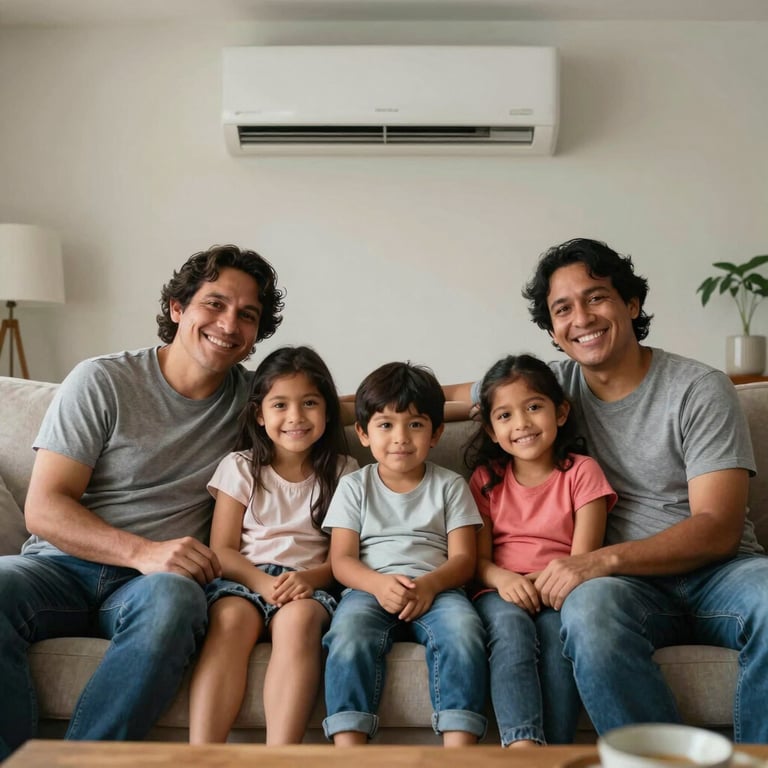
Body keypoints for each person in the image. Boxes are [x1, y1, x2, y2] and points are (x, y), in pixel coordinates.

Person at [448, 237, 768, 743]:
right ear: (553, 330)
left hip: (721, 574)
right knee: (589, 611)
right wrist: (332, 411)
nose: (582, 318)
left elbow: (718, 528)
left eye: (596, 297)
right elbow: (453, 395)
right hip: (626, 591)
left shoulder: (698, 387)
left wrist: (599, 561)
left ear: (631, 304)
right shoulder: (548, 391)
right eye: (563, 309)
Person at [0, 244, 285, 759]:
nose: (229, 323)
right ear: (178, 308)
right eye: (214, 304)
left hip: (153, 588)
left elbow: (349, 404)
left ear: (254, 339)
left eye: (247, 315)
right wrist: (141, 551)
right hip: (58, 568)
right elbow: (43, 508)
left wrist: (477, 395)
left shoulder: (256, 404)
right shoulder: (102, 380)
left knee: (177, 600)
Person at [189, 345, 357, 744]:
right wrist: (261, 583)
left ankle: (280, 755)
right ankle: (202, 754)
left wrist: (308, 579)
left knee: (298, 623)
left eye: (310, 403)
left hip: (309, 584)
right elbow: (223, 550)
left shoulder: (344, 472)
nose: (295, 417)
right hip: (243, 580)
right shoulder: (240, 467)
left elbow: (343, 557)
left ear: (329, 411)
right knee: (230, 621)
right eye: (280, 405)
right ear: (260, 415)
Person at [321, 362, 488, 746]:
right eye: (385, 425)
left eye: (415, 424)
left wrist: (429, 586)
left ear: (436, 433)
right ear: (362, 433)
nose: (400, 437)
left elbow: (464, 559)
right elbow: (342, 560)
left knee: (464, 632)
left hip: (439, 588)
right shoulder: (353, 486)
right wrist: (378, 585)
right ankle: (349, 751)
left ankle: (459, 752)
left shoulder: (450, 485)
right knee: (348, 634)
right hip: (369, 588)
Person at [465, 353, 615, 747]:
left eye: (534, 407)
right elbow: (476, 561)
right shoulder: (485, 480)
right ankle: (523, 747)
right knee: (511, 628)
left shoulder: (582, 472)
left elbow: (583, 559)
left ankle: (557, 750)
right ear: (491, 430)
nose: (522, 424)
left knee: (555, 637)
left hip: (561, 592)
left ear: (561, 412)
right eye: (505, 415)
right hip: (501, 592)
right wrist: (505, 579)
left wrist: (539, 583)